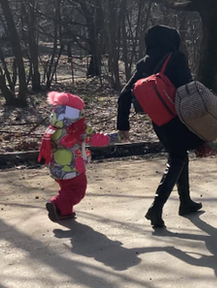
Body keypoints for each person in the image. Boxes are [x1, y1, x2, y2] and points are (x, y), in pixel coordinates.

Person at [117, 25, 205, 230]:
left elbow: (124, 95)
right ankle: (156, 208)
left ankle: (186, 202)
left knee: (179, 155)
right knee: (177, 158)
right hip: (178, 117)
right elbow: (187, 88)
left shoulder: (143, 64)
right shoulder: (176, 58)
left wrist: (123, 125)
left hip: (159, 120)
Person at [39, 92, 118, 222]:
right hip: (73, 168)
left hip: (56, 167)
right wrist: (116, 137)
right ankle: (56, 203)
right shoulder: (78, 128)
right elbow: (95, 139)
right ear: (74, 112)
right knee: (77, 191)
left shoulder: (53, 127)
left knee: (66, 189)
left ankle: (64, 211)